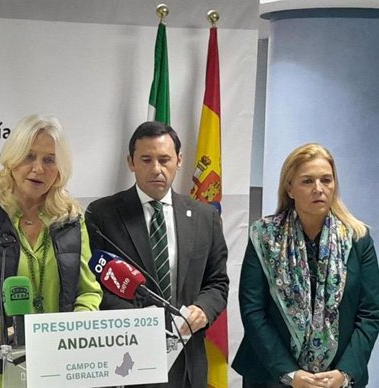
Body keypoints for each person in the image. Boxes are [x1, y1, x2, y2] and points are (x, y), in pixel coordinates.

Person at [0, 114, 103, 387]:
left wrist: (75, 330)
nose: (38, 169)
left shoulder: (72, 218)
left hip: (54, 371)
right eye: (29, 156)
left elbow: (88, 292)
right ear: (12, 160)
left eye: (49, 160)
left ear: (60, 168)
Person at [85, 121, 229, 388]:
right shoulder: (102, 215)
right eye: (146, 159)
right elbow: (92, 286)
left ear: (179, 160)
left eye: (164, 159)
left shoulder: (204, 217)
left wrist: (203, 310)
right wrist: (141, 322)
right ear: (131, 162)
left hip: (188, 360)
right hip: (126, 359)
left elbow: (217, 282)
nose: (156, 169)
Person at [233, 143, 379, 388]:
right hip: (271, 376)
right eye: (307, 181)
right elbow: (253, 311)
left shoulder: (358, 239)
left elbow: (370, 314)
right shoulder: (264, 237)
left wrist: (345, 373)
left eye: (326, 180)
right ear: (289, 188)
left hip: (339, 380)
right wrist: (290, 373)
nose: (318, 189)